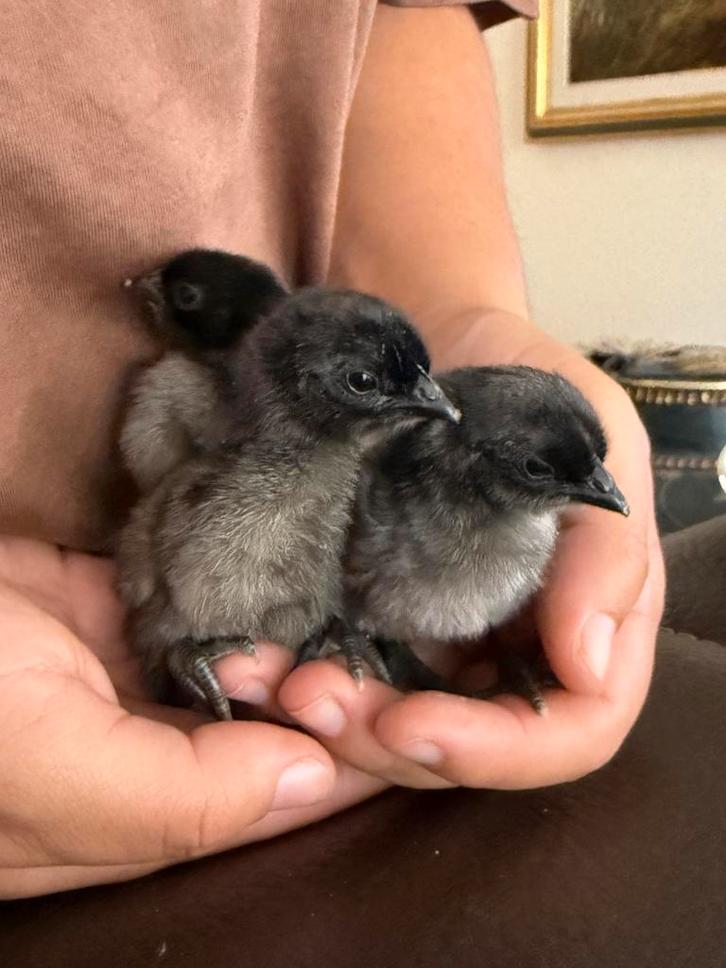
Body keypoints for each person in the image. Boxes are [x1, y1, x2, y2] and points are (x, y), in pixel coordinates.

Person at [0, 1, 664, 898]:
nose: (430, 409)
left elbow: (401, 15)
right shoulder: (243, 444)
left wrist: (461, 305)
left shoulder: (380, 454)